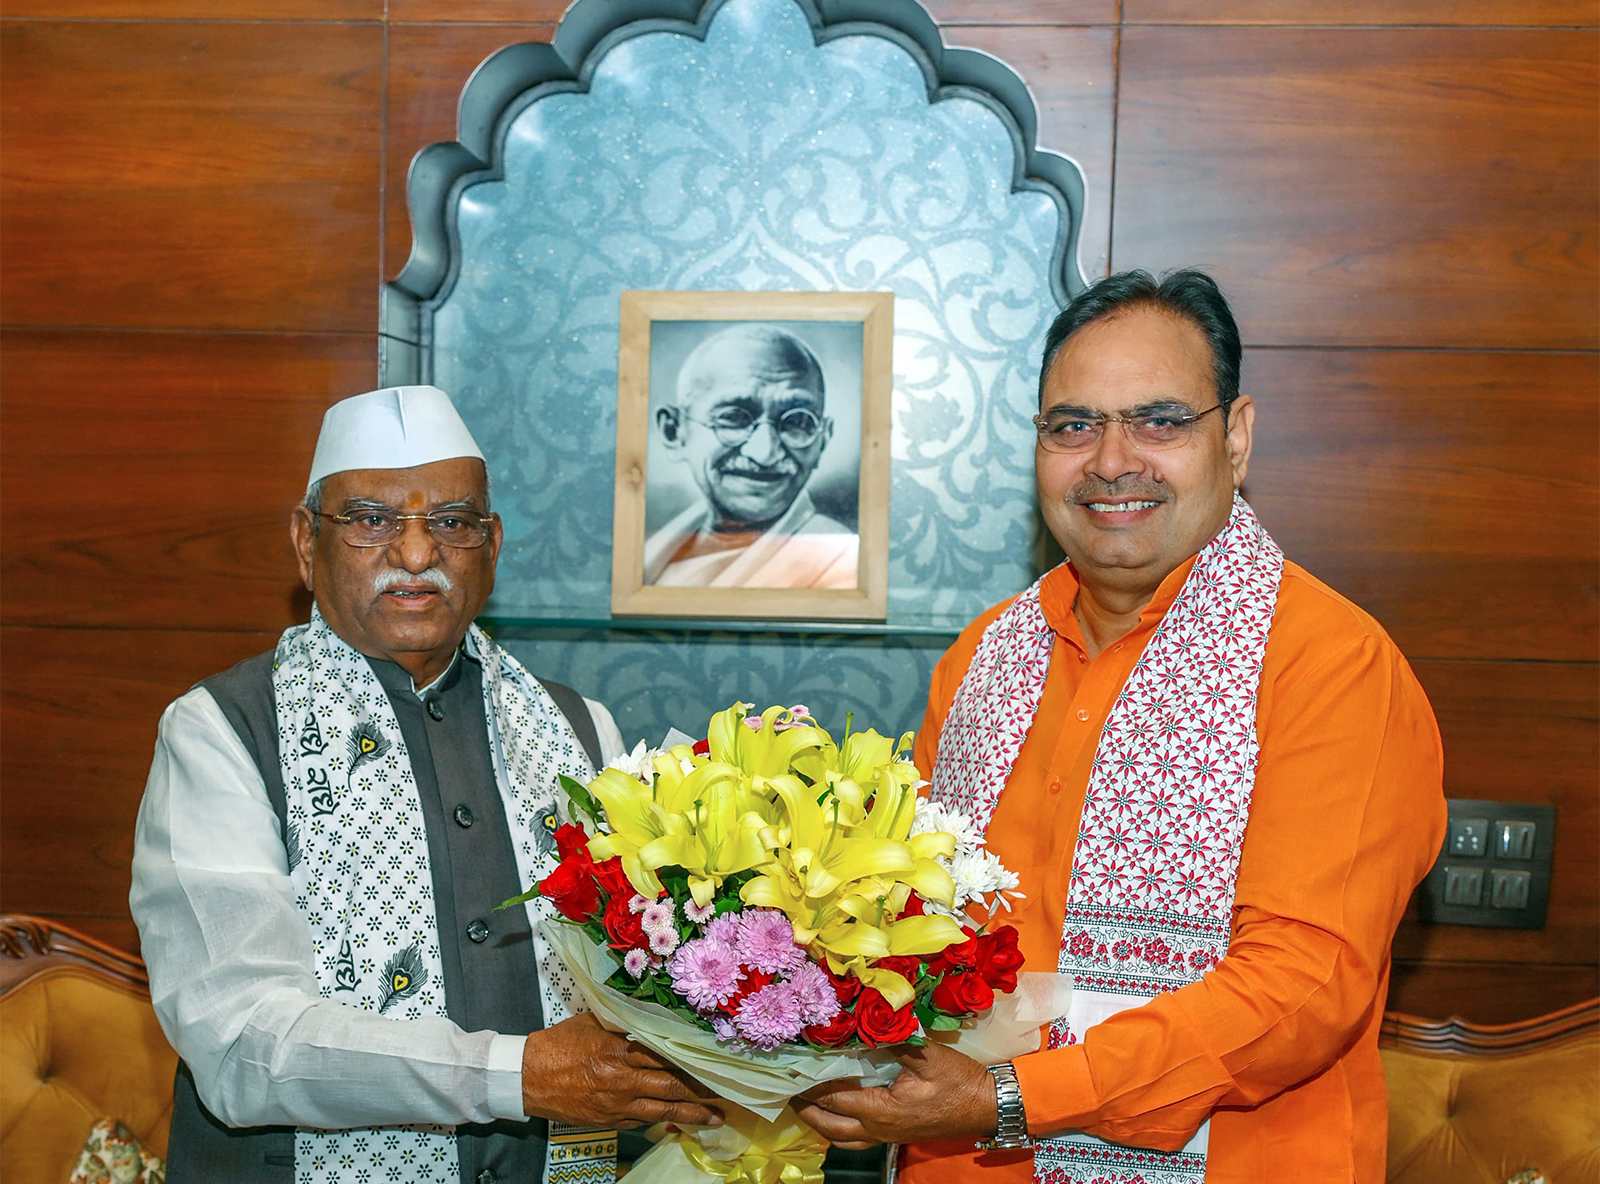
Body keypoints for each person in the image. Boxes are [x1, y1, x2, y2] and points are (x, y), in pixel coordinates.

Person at [794, 270, 1447, 1182]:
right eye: (1073, 425)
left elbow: (1304, 985)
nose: (1110, 460)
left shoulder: (1328, 664)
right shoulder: (982, 657)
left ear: (1239, 437)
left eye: (1161, 421)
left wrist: (1018, 1098)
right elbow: (913, 925)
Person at [130, 386, 720, 1184]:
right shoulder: (221, 731)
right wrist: (522, 1075)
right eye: (371, 519)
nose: (415, 554)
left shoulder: (581, 731)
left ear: (493, 543)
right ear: (307, 542)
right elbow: (240, 1042)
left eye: (452, 522)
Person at [643, 324, 858, 589]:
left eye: (797, 421)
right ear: (673, 432)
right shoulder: (650, 555)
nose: (765, 453)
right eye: (734, 418)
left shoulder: (840, 565)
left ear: (822, 440)